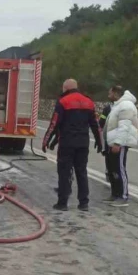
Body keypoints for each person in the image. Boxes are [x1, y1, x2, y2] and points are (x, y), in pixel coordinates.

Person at [43, 79, 102, 211]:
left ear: (66, 88)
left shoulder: (63, 102)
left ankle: (62, 203)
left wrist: (46, 141)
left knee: (64, 172)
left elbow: (55, 124)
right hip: (83, 144)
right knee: (81, 171)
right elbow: (96, 125)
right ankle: (84, 203)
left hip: (67, 144)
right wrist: (100, 141)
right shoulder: (89, 102)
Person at [105, 86, 138, 207]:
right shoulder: (118, 105)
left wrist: (118, 143)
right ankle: (115, 194)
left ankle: (123, 196)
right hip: (113, 142)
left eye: (110, 93)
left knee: (120, 169)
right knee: (113, 170)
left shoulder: (126, 105)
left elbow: (124, 126)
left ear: (115, 93)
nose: (108, 95)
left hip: (120, 143)